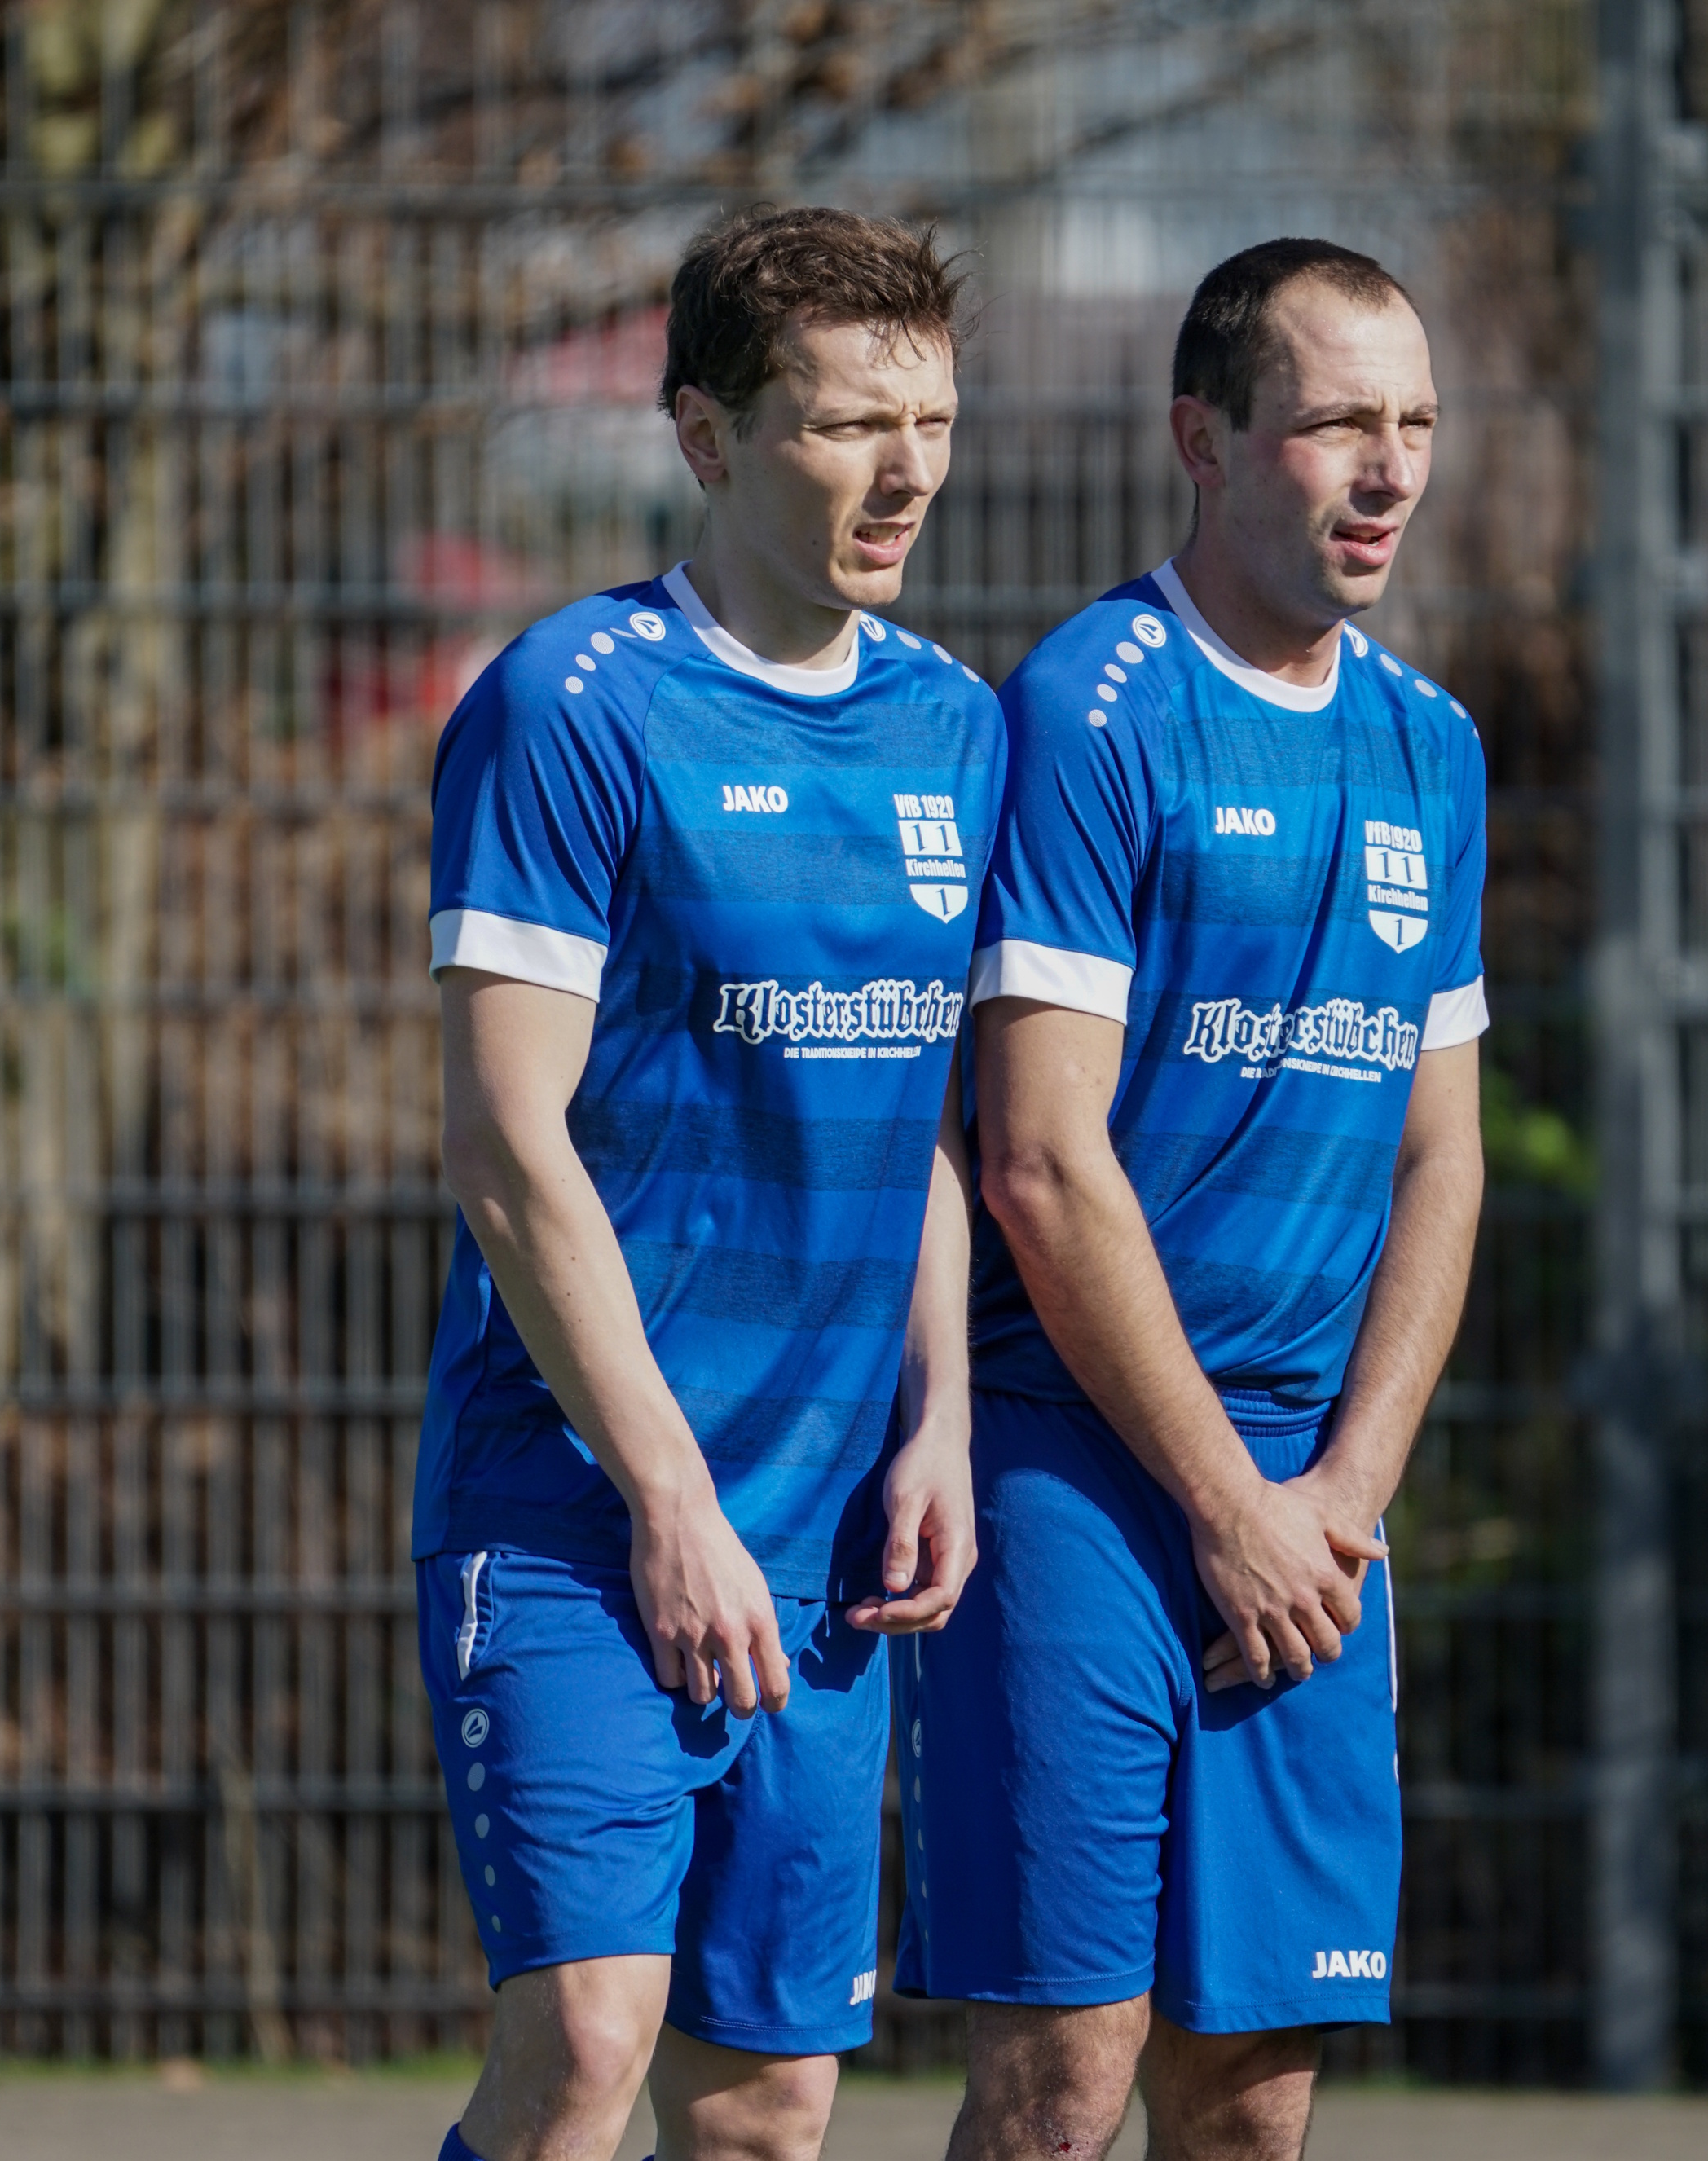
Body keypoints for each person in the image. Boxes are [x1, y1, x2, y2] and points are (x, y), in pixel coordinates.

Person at [416, 206, 998, 2161]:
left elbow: (915, 1121)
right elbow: (505, 1146)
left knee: (760, 2112)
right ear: (706, 436)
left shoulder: (955, 729)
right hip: (578, 1507)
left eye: (930, 423)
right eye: (844, 425)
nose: (902, 472)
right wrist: (666, 1497)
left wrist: (940, 1419)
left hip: (822, 1537)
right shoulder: (572, 707)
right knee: (586, 2044)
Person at [900, 238, 1487, 2161]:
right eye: (1334, 425)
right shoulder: (1090, 710)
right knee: (1060, 2085)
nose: (1385, 472)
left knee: (1253, 2101)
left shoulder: (1432, 749)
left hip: (1308, 1503)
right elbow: (1038, 1160)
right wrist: (1225, 1508)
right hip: (1076, 1464)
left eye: (1413, 424)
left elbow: (1439, 1155)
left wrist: (1337, 1501)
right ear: (1203, 441)